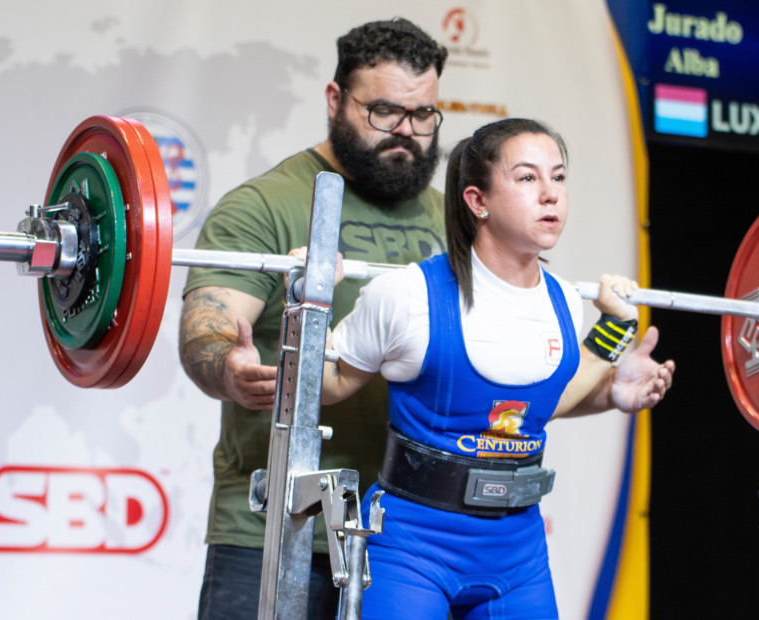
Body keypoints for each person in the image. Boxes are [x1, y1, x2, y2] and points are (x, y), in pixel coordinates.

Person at [316, 117, 675, 619]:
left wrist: (613, 356)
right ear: (477, 201)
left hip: (517, 552)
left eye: (559, 177)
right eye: (528, 178)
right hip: (412, 546)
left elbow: (534, 410)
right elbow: (323, 388)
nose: (550, 194)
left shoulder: (567, 306)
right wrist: (309, 304)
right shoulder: (406, 296)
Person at [178, 18, 449, 620]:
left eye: (423, 115)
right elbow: (208, 324)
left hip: (410, 536)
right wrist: (230, 367)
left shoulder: (454, 221)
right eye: (383, 111)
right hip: (273, 526)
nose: (406, 131)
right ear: (335, 100)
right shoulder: (266, 203)